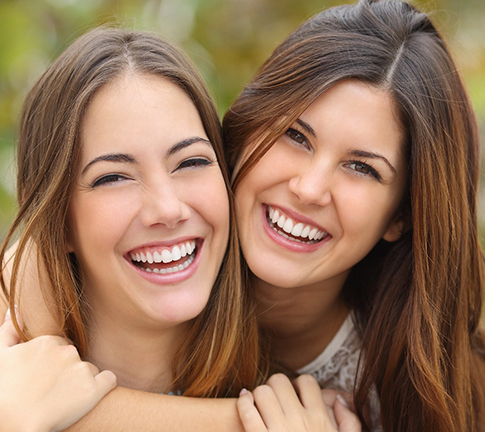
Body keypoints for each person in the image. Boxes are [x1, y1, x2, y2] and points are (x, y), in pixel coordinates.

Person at [3, 0, 485, 431]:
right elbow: (36, 260)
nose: (309, 188)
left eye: (361, 167)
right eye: (296, 136)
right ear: (246, 130)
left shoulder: (397, 382)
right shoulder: (168, 256)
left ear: (402, 215)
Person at [0, 26, 358, 432]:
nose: (167, 209)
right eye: (113, 177)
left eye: (191, 162)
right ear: (57, 222)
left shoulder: (301, 415)